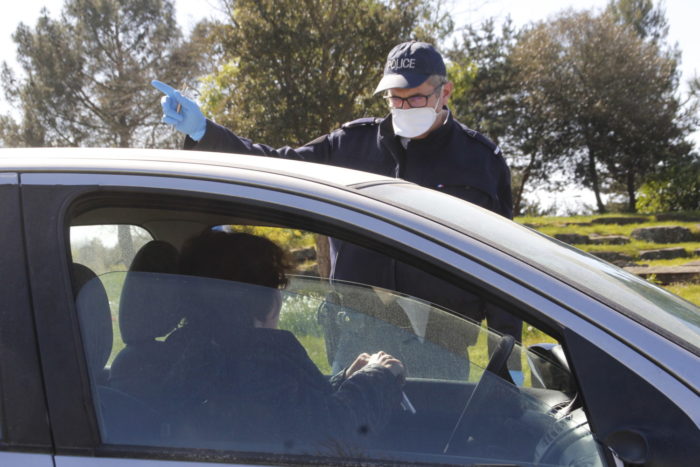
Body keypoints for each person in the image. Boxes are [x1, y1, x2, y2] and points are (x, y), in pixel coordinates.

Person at [153, 40, 522, 379]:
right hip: (357, 333)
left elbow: (501, 262)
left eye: (417, 98)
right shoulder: (350, 145)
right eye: (396, 99)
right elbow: (277, 166)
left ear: (445, 92)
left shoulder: (480, 161)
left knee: (434, 443)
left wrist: (509, 367)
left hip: (441, 340)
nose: (405, 108)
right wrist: (206, 133)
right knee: (351, 438)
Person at [166, 229, 405, 449]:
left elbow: (296, 412)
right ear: (267, 302)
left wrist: (345, 381)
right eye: (276, 288)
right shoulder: (256, 365)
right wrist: (376, 377)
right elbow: (331, 433)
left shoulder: (197, 355)